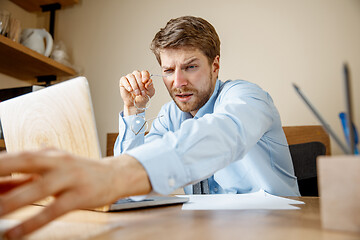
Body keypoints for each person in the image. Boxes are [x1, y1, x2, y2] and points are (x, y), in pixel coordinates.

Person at [0, 16, 299, 239]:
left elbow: (222, 133)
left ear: (215, 66)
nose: (178, 82)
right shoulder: (170, 115)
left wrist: (116, 173)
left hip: (279, 229)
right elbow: (132, 191)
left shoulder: (247, 97)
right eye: (168, 70)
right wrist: (134, 110)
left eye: (191, 67)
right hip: (211, 230)